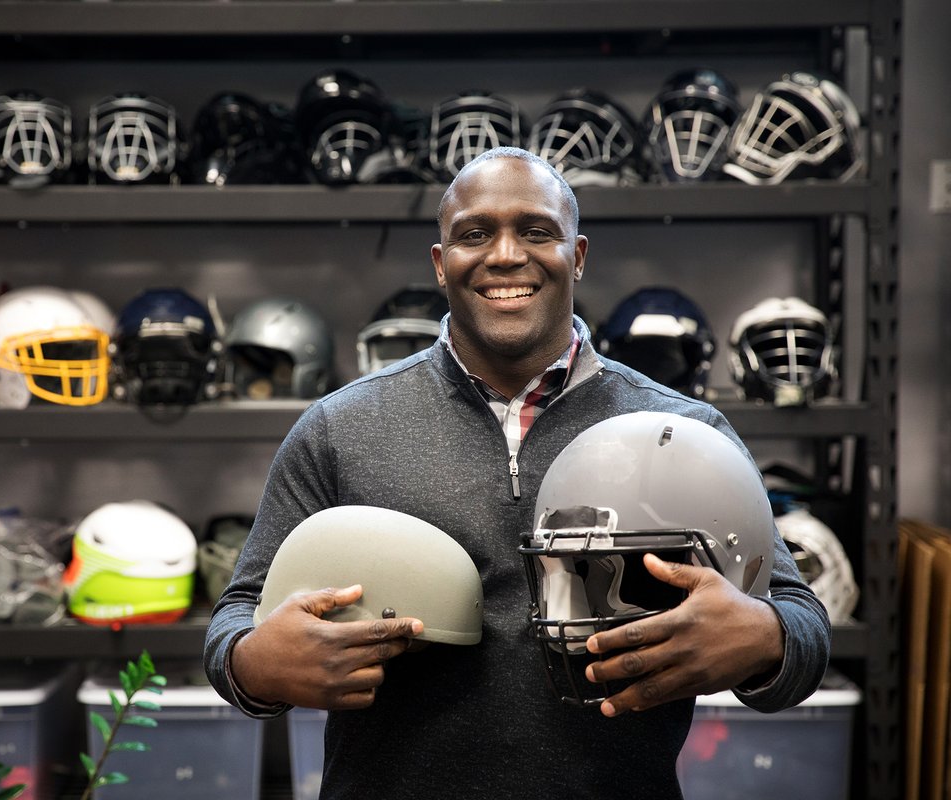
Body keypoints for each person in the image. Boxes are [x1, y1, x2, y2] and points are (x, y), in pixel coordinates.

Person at [204, 146, 831, 799]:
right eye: (475, 234)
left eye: (536, 231)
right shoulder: (339, 428)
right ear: (441, 264)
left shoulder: (684, 432)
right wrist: (253, 663)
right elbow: (239, 613)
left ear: (578, 256)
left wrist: (764, 638)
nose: (505, 254)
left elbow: (801, 622)